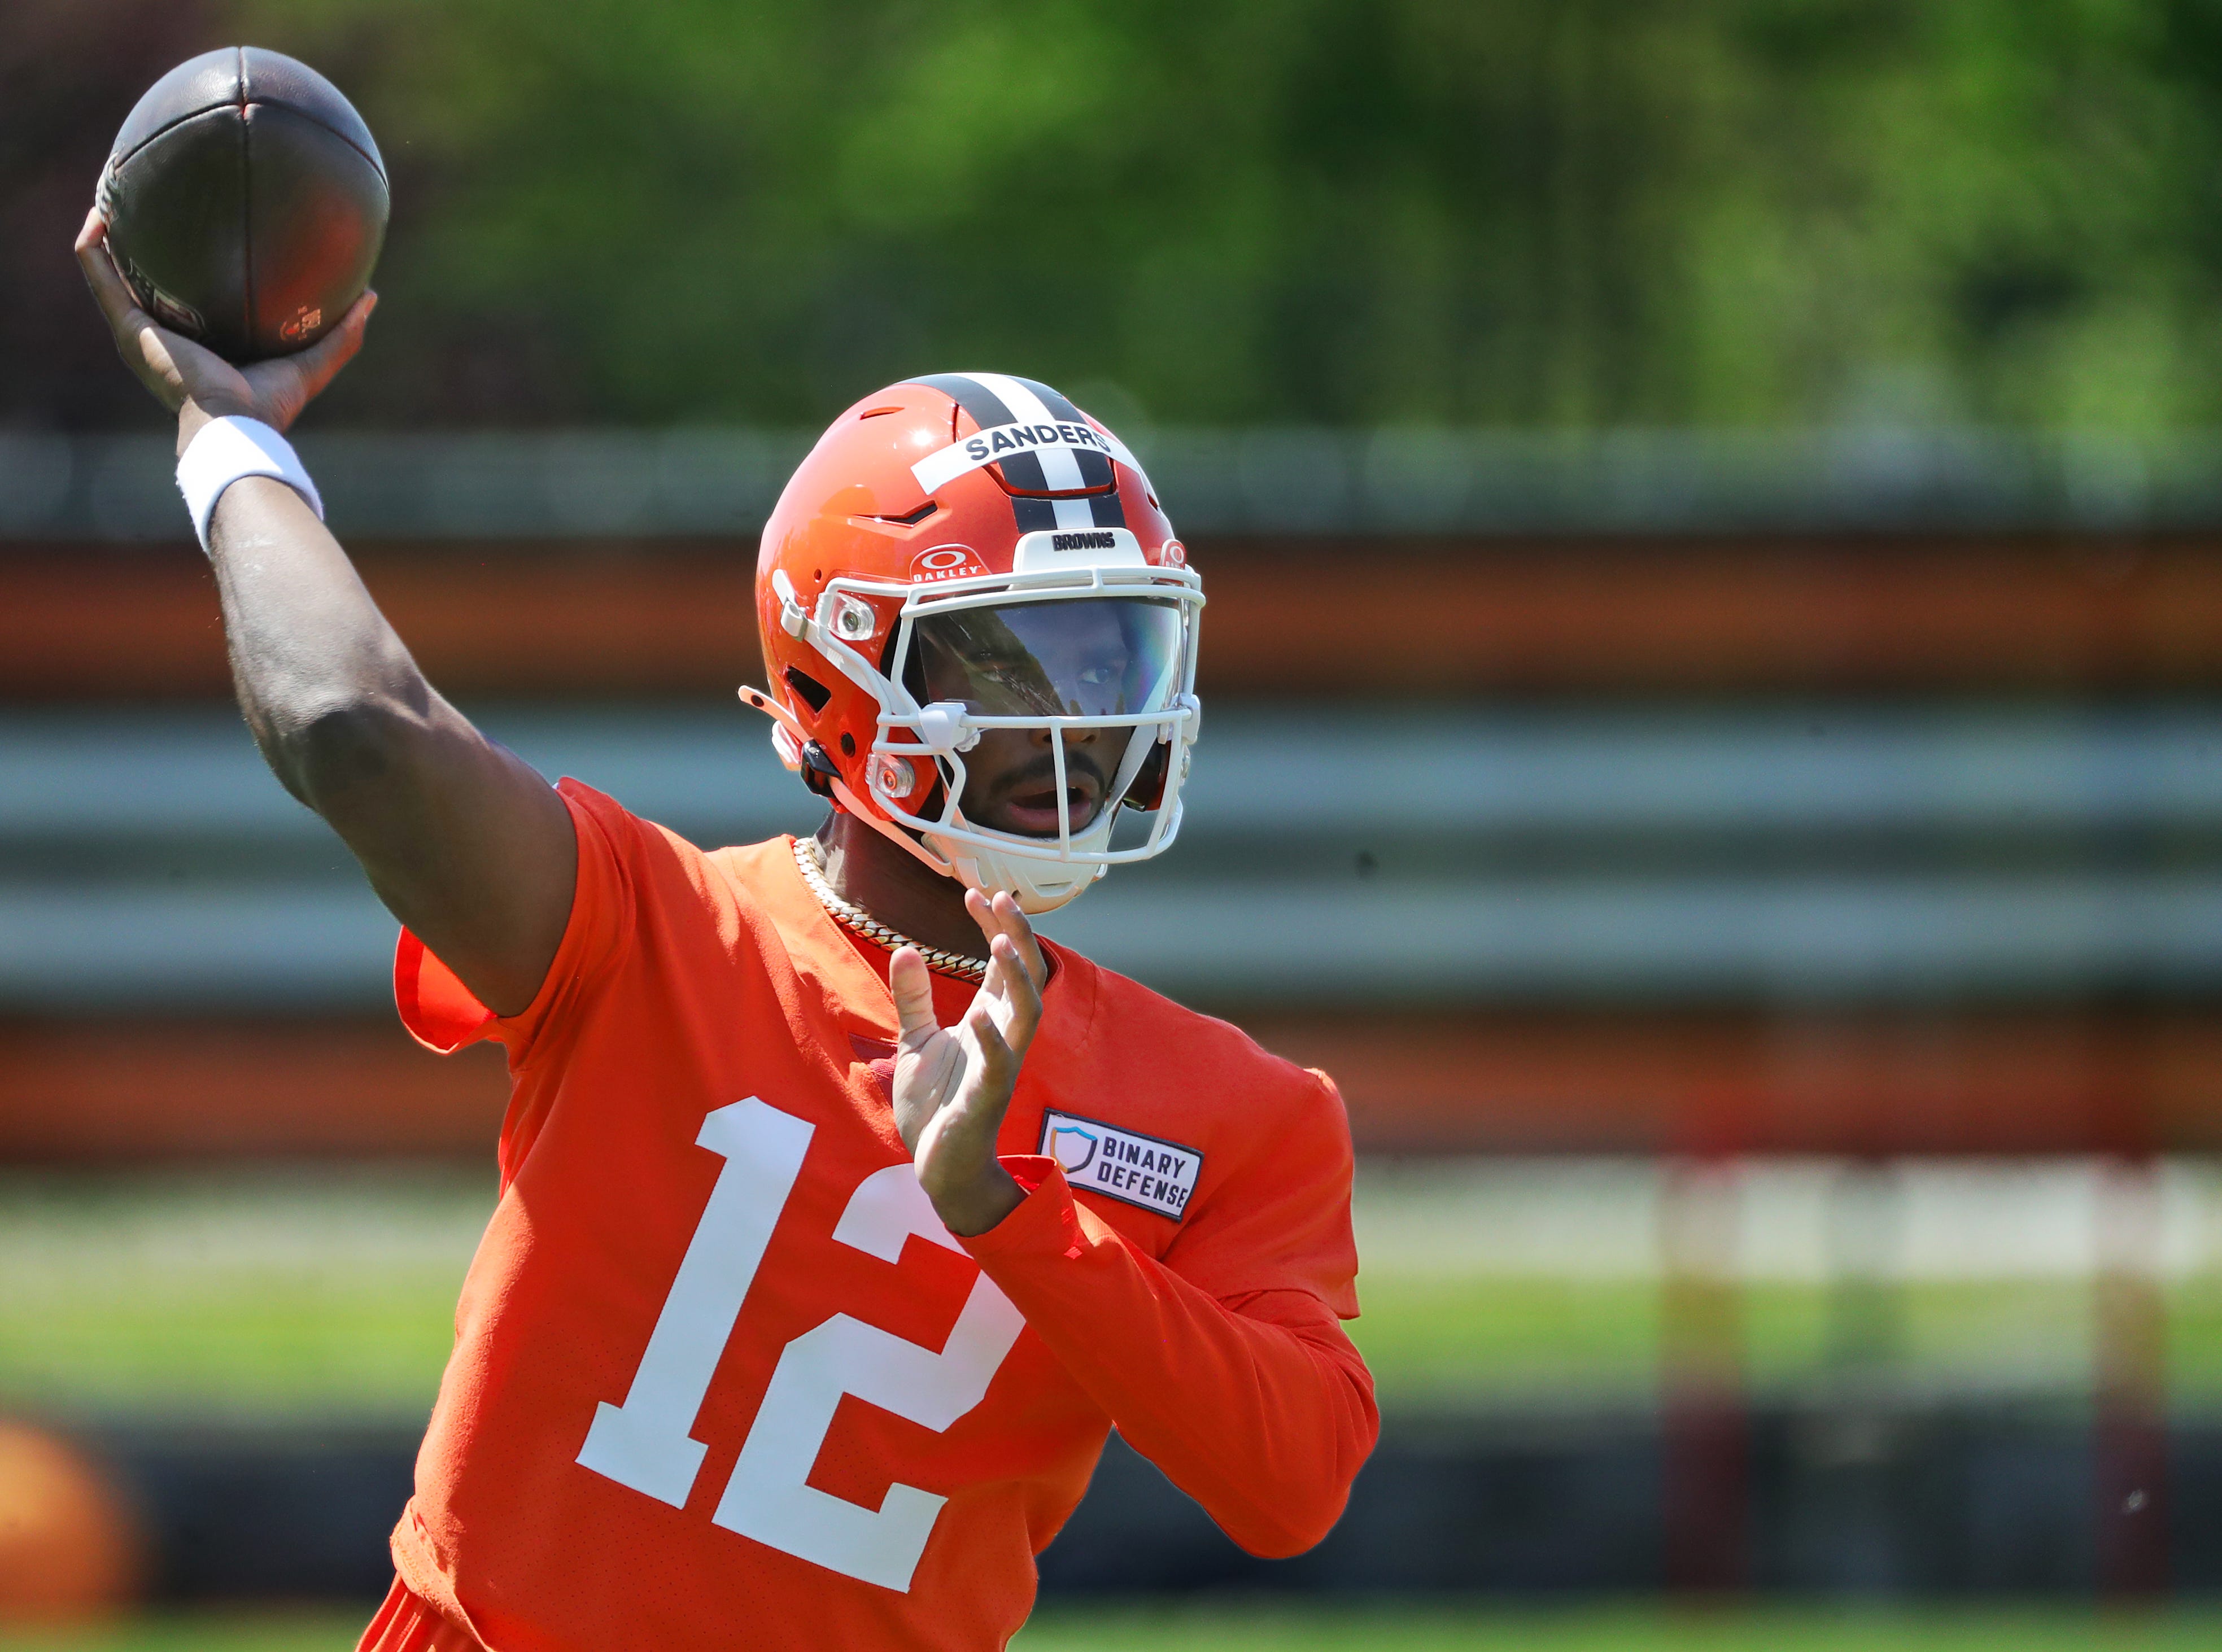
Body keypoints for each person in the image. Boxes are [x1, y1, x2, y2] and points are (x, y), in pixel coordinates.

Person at [76, 208, 1376, 1652]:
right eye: (1014, 655)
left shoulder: (1244, 1116)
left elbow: (1294, 1482)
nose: (1085, 714)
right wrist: (228, 440)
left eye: (1114, 650)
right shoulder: (649, 928)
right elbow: (348, 721)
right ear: (835, 674)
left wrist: (1009, 1214)